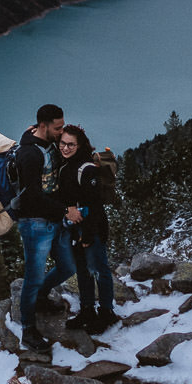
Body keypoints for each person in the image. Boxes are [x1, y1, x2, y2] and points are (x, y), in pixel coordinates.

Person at [15, 103, 76, 353]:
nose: (61, 132)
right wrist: (64, 211)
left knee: (67, 266)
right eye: (57, 127)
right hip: (35, 222)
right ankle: (28, 330)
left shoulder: (48, 141)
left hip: (53, 217)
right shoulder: (29, 155)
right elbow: (30, 198)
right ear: (43, 126)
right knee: (33, 276)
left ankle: (40, 298)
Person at [57, 124, 118, 334]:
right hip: (75, 229)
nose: (65, 148)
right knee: (83, 271)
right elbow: (66, 197)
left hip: (92, 229)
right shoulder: (66, 167)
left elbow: (95, 204)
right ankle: (87, 310)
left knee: (99, 271)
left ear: (79, 145)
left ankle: (107, 312)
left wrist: (89, 235)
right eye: (62, 143)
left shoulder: (87, 169)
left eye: (70, 144)